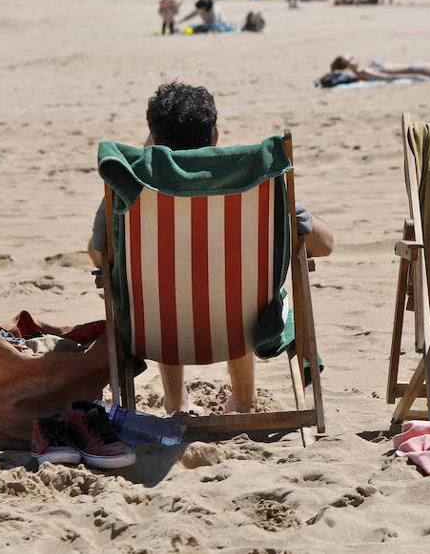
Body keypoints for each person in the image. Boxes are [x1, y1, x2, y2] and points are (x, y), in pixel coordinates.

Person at [86, 82, 335, 414]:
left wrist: (150, 154)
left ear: (153, 139)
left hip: (155, 328)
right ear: (215, 135)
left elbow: (99, 254)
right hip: (242, 325)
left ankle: (176, 401)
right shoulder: (256, 184)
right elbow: (324, 244)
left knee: (161, 285)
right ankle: (245, 401)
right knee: (237, 282)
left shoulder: (130, 186)